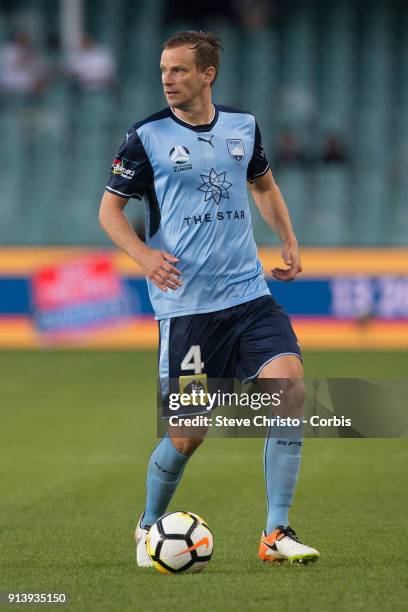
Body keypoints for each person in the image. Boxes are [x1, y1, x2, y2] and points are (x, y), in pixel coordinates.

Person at [99, 30, 320, 565]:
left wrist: (288, 240)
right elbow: (109, 211)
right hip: (189, 310)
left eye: (177, 70)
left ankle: (276, 533)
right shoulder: (145, 137)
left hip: (249, 296)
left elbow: (263, 185)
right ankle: (149, 526)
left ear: (207, 74)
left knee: (289, 389)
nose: (167, 80)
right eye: (162, 70)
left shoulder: (243, 126)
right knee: (188, 433)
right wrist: (144, 256)